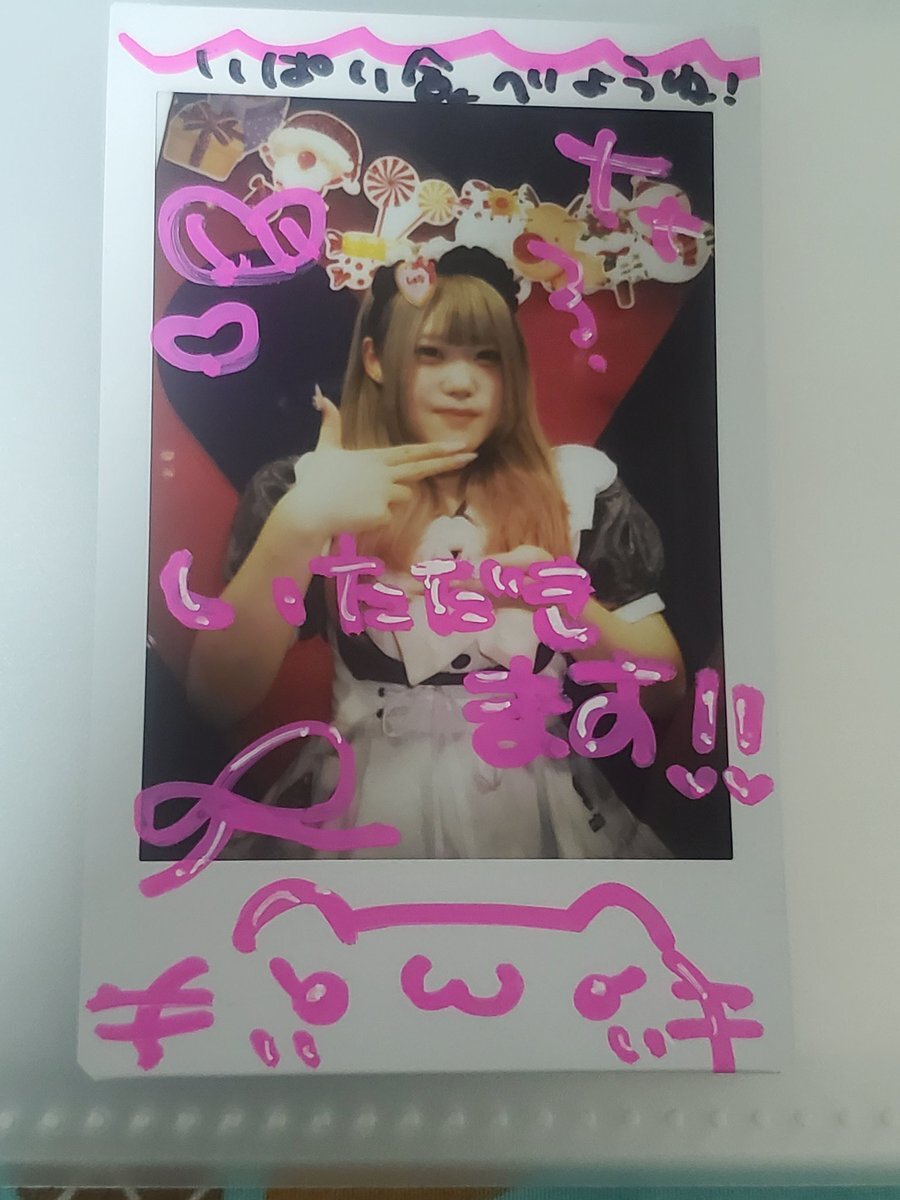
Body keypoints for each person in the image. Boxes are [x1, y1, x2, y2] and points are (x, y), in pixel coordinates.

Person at [187, 246, 685, 859]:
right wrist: (302, 522)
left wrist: (560, 599)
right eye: (431, 353)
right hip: (365, 814)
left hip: (540, 817)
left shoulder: (575, 489)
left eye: (487, 357)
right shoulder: (311, 487)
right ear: (376, 359)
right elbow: (216, 697)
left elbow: (663, 692)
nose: (462, 382)